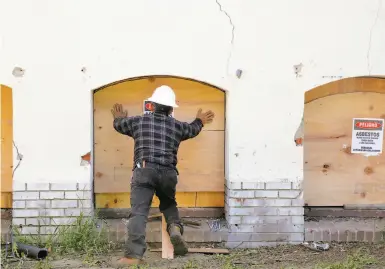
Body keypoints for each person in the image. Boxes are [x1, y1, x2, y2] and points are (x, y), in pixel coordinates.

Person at [111, 85, 215, 265]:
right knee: (168, 203)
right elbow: (192, 129)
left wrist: (118, 118)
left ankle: (133, 256)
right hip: (168, 172)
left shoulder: (138, 122)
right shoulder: (177, 126)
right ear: (170, 109)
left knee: (139, 212)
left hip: (144, 169)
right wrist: (200, 120)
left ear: (152, 105)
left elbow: (119, 125)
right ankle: (174, 227)